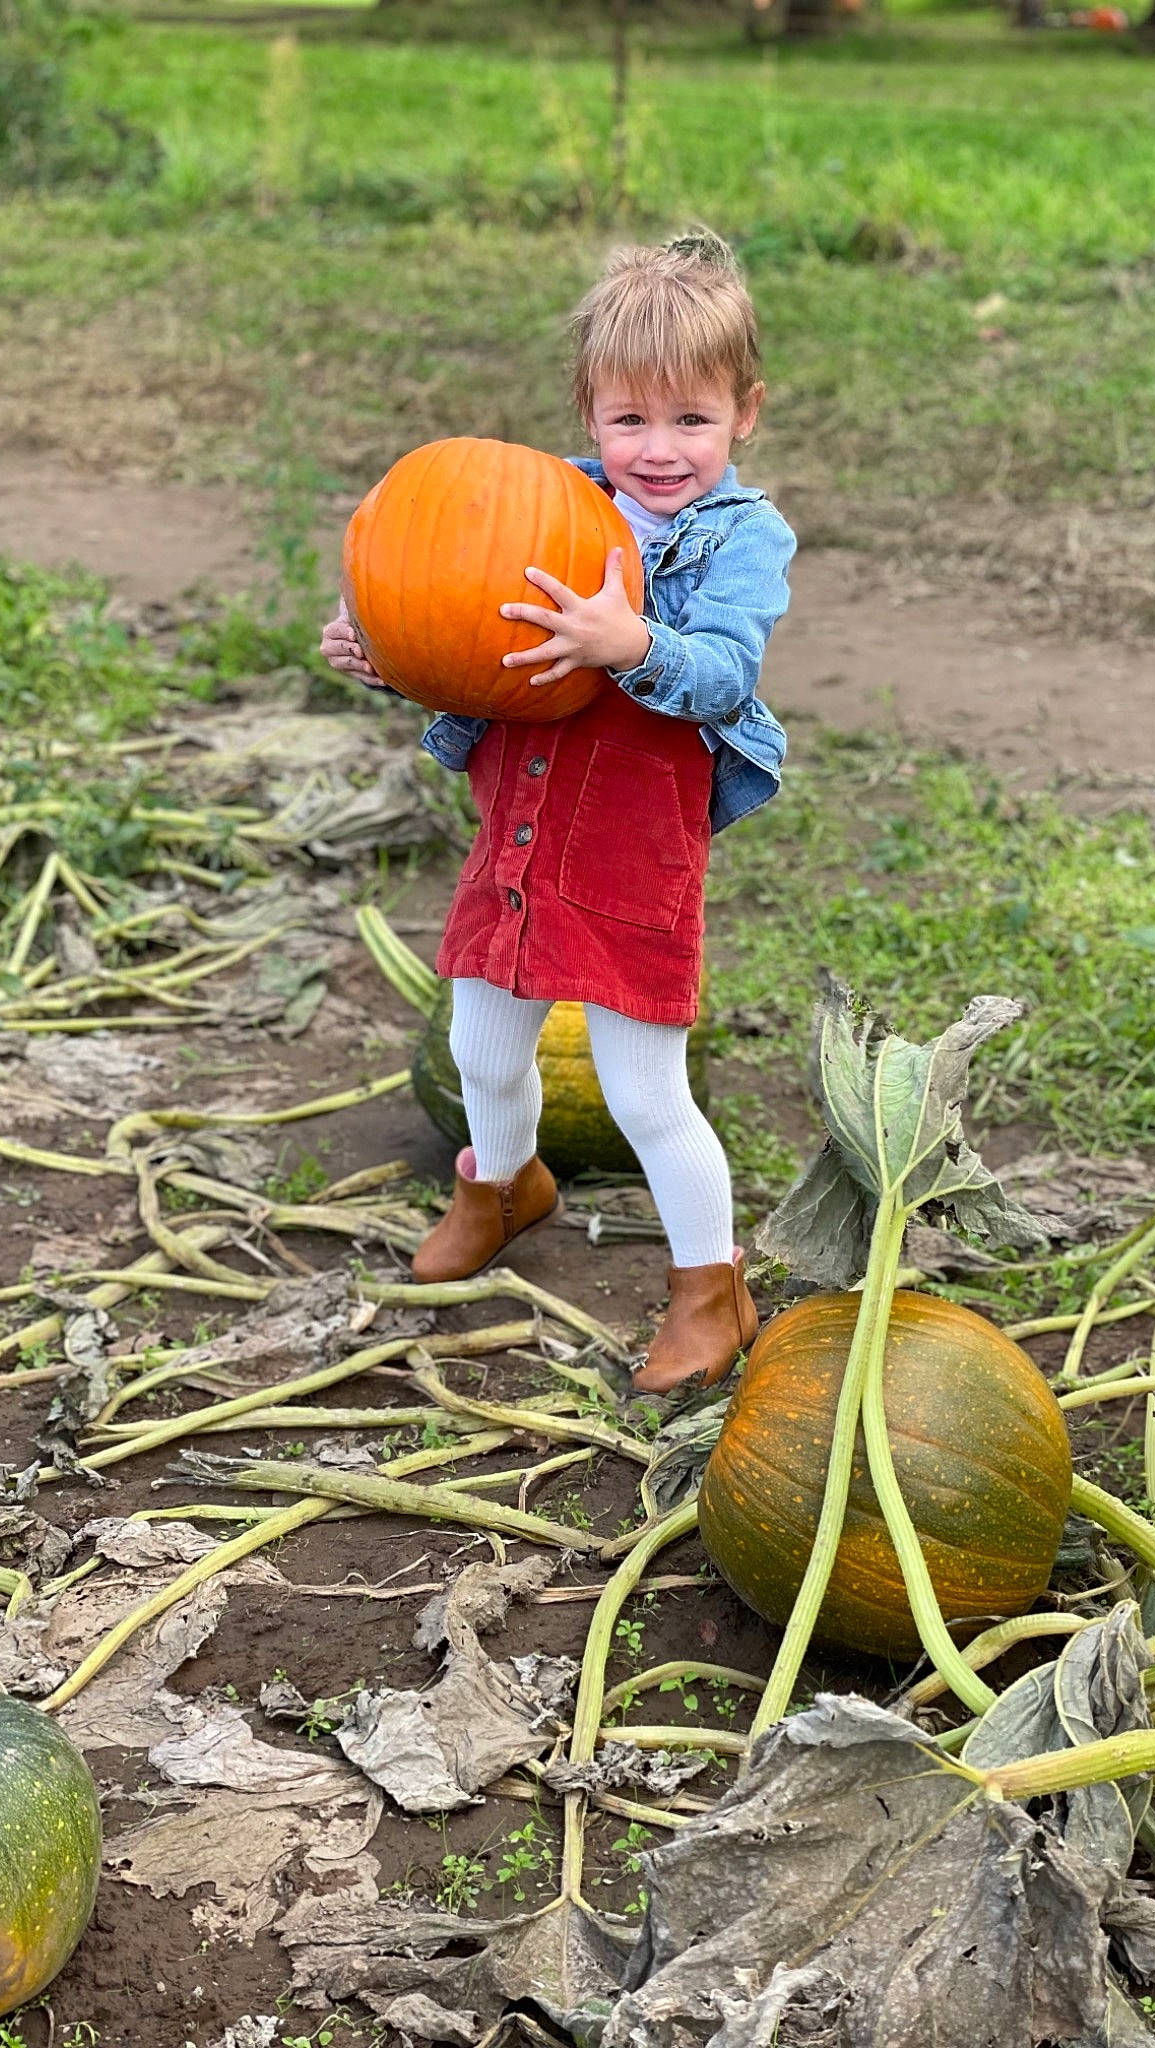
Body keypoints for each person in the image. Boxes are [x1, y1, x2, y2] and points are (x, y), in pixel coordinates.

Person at [321, 230, 796, 1394]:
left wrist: (630, 639)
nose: (660, 448)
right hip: (522, 821)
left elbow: (725, 673)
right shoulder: (551, 505)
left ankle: (710, 1286)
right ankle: (503, 1183)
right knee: (483, 1040)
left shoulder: (741, 538)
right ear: (589, 413)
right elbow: (465, 633)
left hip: (634, 840)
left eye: (692, 418)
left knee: (642, 1087)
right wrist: (389, 652)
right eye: (630, 419)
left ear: (746, 413)